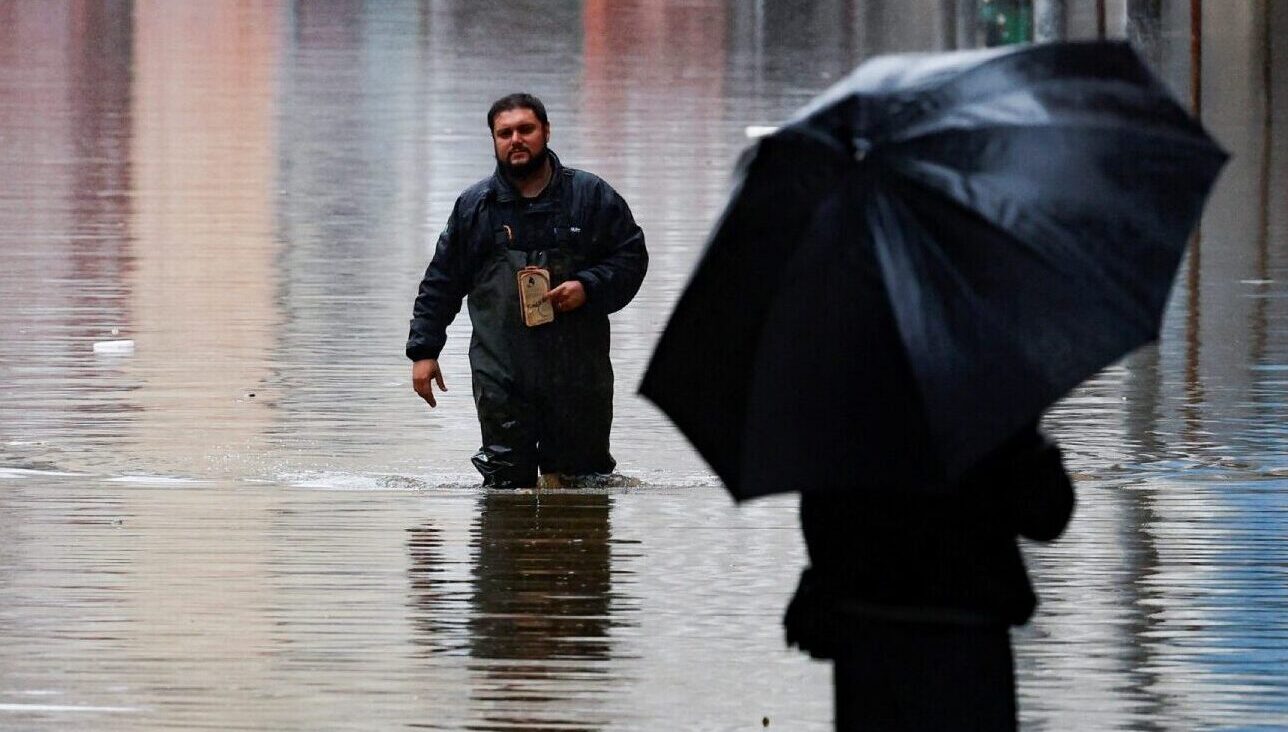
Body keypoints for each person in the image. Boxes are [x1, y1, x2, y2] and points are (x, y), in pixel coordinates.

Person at [407, 92, 647, 489]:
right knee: (505, 491)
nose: (515, 139)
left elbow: (631, 259)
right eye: (505, 133)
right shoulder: (474, 207)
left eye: (525, 129)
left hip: (577, 374)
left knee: (580, 486)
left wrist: (587, 287)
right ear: (494, 141)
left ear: (546, 132)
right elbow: (441, 282)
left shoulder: (590, 196)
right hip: (502, 375)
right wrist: (424, 351)